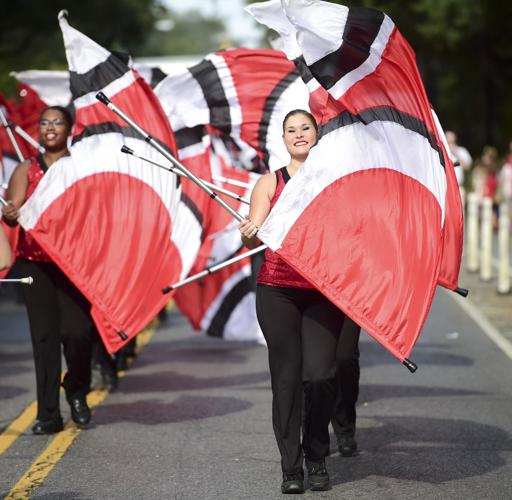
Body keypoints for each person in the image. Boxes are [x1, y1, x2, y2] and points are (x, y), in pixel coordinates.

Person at [239, 109, 349, 494]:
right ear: (282, 138)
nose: (299, 134)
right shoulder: (269, 183)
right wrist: (249, 231)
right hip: (278, 290)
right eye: (291, 130)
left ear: (317, 134)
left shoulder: (333, 181)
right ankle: (292, 467)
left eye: (305, 128)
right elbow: (252, 238)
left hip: (323, 291)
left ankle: (317, 452)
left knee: (320, 376)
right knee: (286, 380)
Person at [2, 106, 94, 434]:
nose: (49, 127)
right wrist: (13, 213)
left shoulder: (82, 168)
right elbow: (13, 210)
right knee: (44, 338)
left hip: (74, 263)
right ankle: (48, 414)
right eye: (44, 122)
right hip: (35, 264)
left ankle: (77, 387)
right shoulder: (26, 169)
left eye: (57, 122)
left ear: (69, 128)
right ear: (38, 130)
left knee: (78, 331)